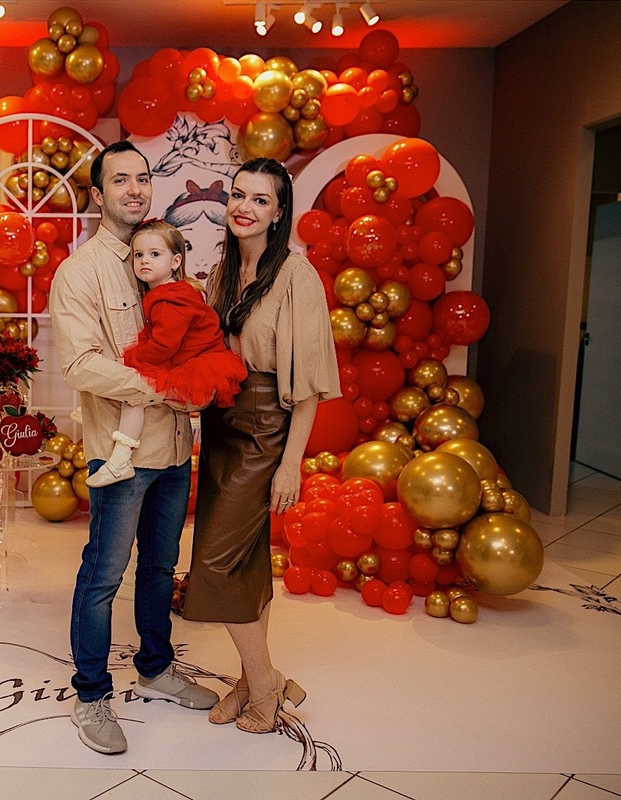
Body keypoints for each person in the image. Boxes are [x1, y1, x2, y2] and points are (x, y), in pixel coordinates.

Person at [49, 141, 218, 755]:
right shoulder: (81, 272)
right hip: (120, 453)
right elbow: (81, 364)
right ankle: (90, 697)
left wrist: (197, 386)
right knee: (102, 576)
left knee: (159, 567)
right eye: (120, 180)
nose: (135, 189)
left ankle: (155, 666)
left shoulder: (165, 264)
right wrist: (168, 387)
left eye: (143, 179)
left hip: (175, 449)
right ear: (99, 194)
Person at [182, 157, 340, 734]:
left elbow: (311, 387)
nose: (245, 207)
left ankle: (266, 683)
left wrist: (289, 465)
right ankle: (253, 680)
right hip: (223, 428)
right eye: (239, 195)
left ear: (279, 214)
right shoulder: (221, 272)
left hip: (266, 432)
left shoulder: (297, 276)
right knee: (245, 563)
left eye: (261, 200)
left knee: (214, 564)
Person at [86, 219, 247, 488]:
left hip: (197, 362)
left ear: (175, 261)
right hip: (190, 356)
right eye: (138, 255)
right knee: (137, 394)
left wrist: (130, 361)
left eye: (155, 254)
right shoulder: (170, 292)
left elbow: (163, 346)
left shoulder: (169, 299)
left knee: (135, 394)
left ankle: (120, 460)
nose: (144, 261)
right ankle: (120, 460)